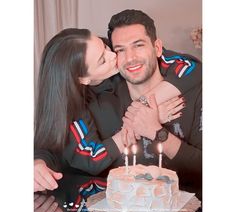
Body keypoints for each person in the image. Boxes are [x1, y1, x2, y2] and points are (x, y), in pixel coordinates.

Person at [34, 24, 201, 194]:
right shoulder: (72, 108)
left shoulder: (124, 55)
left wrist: (146, 104)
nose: (113, 55)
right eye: (102, 61)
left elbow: (191, 67)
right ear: (83, 79)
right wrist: (138, 123)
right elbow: (90, 157)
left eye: (105, 46)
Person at [105, 9, 202, 197]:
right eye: (120, 50)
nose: (130, 58)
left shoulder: (198, 93)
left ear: (157, 48)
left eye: (138, 45)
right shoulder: (105, 98)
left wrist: (156, 132)